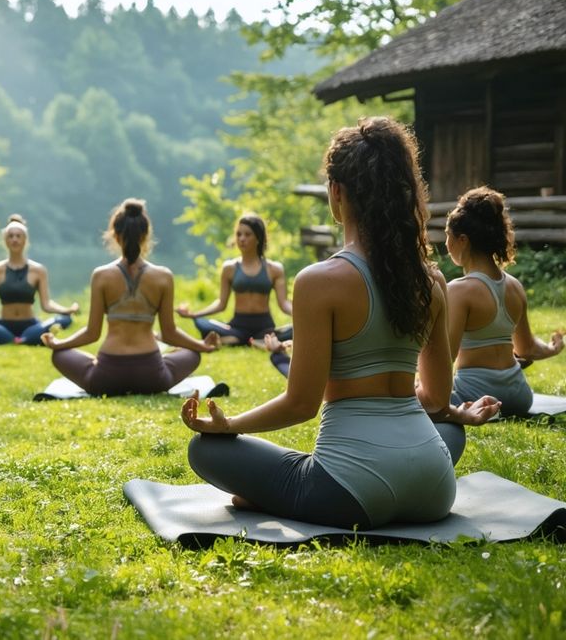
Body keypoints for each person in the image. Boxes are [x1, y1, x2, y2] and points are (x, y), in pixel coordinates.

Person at [182, 117, 500, 529]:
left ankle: (275, 496)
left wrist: (229, 425)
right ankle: (374, 478)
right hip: (434, 488)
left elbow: (300, 404)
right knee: (449, 435)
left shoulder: (319, 282)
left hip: (350, 494)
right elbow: (438, 401)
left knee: (205, 450)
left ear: (337, 192)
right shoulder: (432, 281)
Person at [41, 199, 216, 396]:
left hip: (106, 376)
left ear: (115, 235)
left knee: (60, 356)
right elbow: (169, 334)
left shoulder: (101, 275)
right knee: (192, 354)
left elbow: (92, 333)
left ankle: (90, 364)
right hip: (152, 376)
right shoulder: (163, 276)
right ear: (146, 235)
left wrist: (59, 344)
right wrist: (201, 346)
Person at [444, 186, 563, 418]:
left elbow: (444, 357)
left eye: (448, 237)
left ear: (463, 240)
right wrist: (553, 348)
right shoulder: (515, 287)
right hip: (519, 395)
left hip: (474, 395)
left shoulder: (458, 290)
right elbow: (526, 348)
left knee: (416, 396)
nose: (447, 247)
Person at [0, 214, 79, 345]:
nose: (14, 240)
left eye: (18, 236)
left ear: (25, 240)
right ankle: (21, 340)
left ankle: (9, 340)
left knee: (66, 319)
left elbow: (46, 305)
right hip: (3, 325)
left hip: (30, 326)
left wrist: (67, 310)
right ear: (5, 241)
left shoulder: (39, 270)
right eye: (10, 236)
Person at [176, 214, 292, 346]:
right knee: (201, 322)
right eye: (238, 234)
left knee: (293, 330)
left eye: (248, 235)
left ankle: (245, 340)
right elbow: (221, 304)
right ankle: (252, 341)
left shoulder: (275, 269)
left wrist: (304, 316)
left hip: (265, 327)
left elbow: (284, 304)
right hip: (237, 326)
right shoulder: (229, 268)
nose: (242, 239)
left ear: (258, 238)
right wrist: (194, 315)